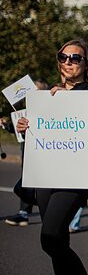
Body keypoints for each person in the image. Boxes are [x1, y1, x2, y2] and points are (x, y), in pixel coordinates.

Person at [16, 39, 88, 275]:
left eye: (75, 58)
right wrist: (26, 125)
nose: (68, 62)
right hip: (46, 173)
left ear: (85, 63)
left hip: (74, 177)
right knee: (59, 238)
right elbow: (39, 136)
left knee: (50, 237)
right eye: (63, 57)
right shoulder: (47, 97)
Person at [5, 79, 49, 227]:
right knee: (24, 184)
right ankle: (24, 213)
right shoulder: (25, 112)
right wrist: (7, 125)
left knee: (31, 185)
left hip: (43, 155)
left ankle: (49, 211)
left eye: (35, 92)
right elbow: (16, 129)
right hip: (27, 153)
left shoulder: (47, 111)